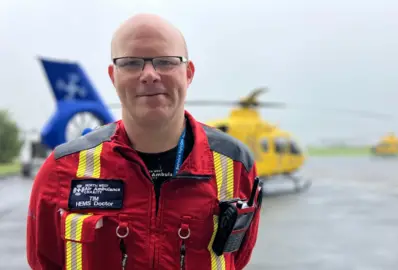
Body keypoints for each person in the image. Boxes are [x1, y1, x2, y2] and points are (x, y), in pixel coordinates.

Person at [26, 13, 262, 270]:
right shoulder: (61, 171)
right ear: (113, 76)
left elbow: (237, 257)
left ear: (189, 73)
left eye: (166, 62)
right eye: (130, 63)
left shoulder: (237, 165)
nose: (149, 74)